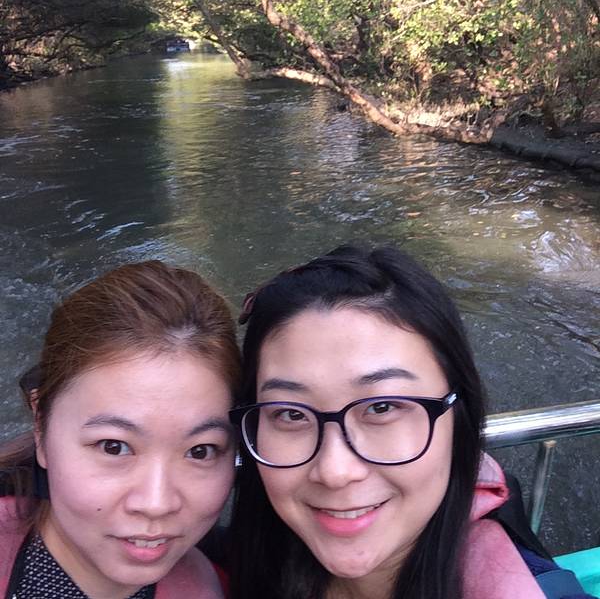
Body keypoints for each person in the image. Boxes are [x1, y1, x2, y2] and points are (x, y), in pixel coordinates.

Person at [228, 244, 592, 599]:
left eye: (382, 407)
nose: (335, 472)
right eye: (290, 414)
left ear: (458, 416)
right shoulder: (221, 566)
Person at [0, 261, 241, 599]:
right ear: (41, 426)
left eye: (200, 451)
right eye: (113, 446)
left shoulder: (230, 581)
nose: (156, 504)